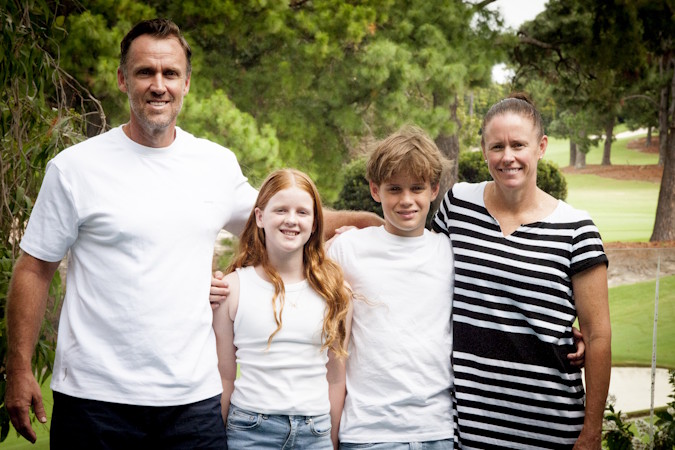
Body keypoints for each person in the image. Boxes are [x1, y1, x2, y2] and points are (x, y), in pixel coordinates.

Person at [5, 18, 380, 447]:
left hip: (193, 403)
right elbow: (34, 268)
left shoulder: (214, 164)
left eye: (170, 73)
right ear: (123, 79)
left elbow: (277, 218)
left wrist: (372, 222)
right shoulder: (75, 168)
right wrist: (19, 368)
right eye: (145, 72)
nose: (158, 85)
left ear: (187, 83)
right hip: (95, 400)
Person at [432, 93, 611, 449]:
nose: (507, 157)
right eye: (496, 146)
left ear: (541, 146)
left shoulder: (576, 229)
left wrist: (591, 432)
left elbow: (598, 336)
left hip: (552, 430)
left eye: (519, 145)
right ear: (483, 150)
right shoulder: (457, 205)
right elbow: (414, 259)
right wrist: (359, 226)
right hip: (470, 431)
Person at [326, 126, 456, 449]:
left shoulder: (448, 252)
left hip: (436, 430)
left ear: (434, 189)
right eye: (394, 188)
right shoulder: (347, 248)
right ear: (375, 189)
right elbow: (293, 281)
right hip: (369, 433)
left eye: (417, 188)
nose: (407, 200)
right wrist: (231, 283)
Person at [213, 168, 352, 449]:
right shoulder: (233, 289)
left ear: (315, 224)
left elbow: (336, 379)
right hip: (249, 430)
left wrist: (332, 441)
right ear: (260, 217)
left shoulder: (335, 291)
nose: (291, 219)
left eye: (302, 212)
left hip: (316, 432)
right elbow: (225, 375)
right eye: (281, 210)